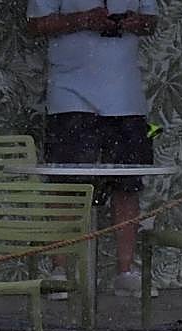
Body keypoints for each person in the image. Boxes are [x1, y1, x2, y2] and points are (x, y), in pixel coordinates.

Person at [26, 0, 159, 296]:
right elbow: (36, 24)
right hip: (70, 93)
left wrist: (130, 22)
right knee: (66, 185)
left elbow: (151, 22)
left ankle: (125, 271)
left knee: (128, 184)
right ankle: (60, 271)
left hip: (126, 95)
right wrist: (83, 19)